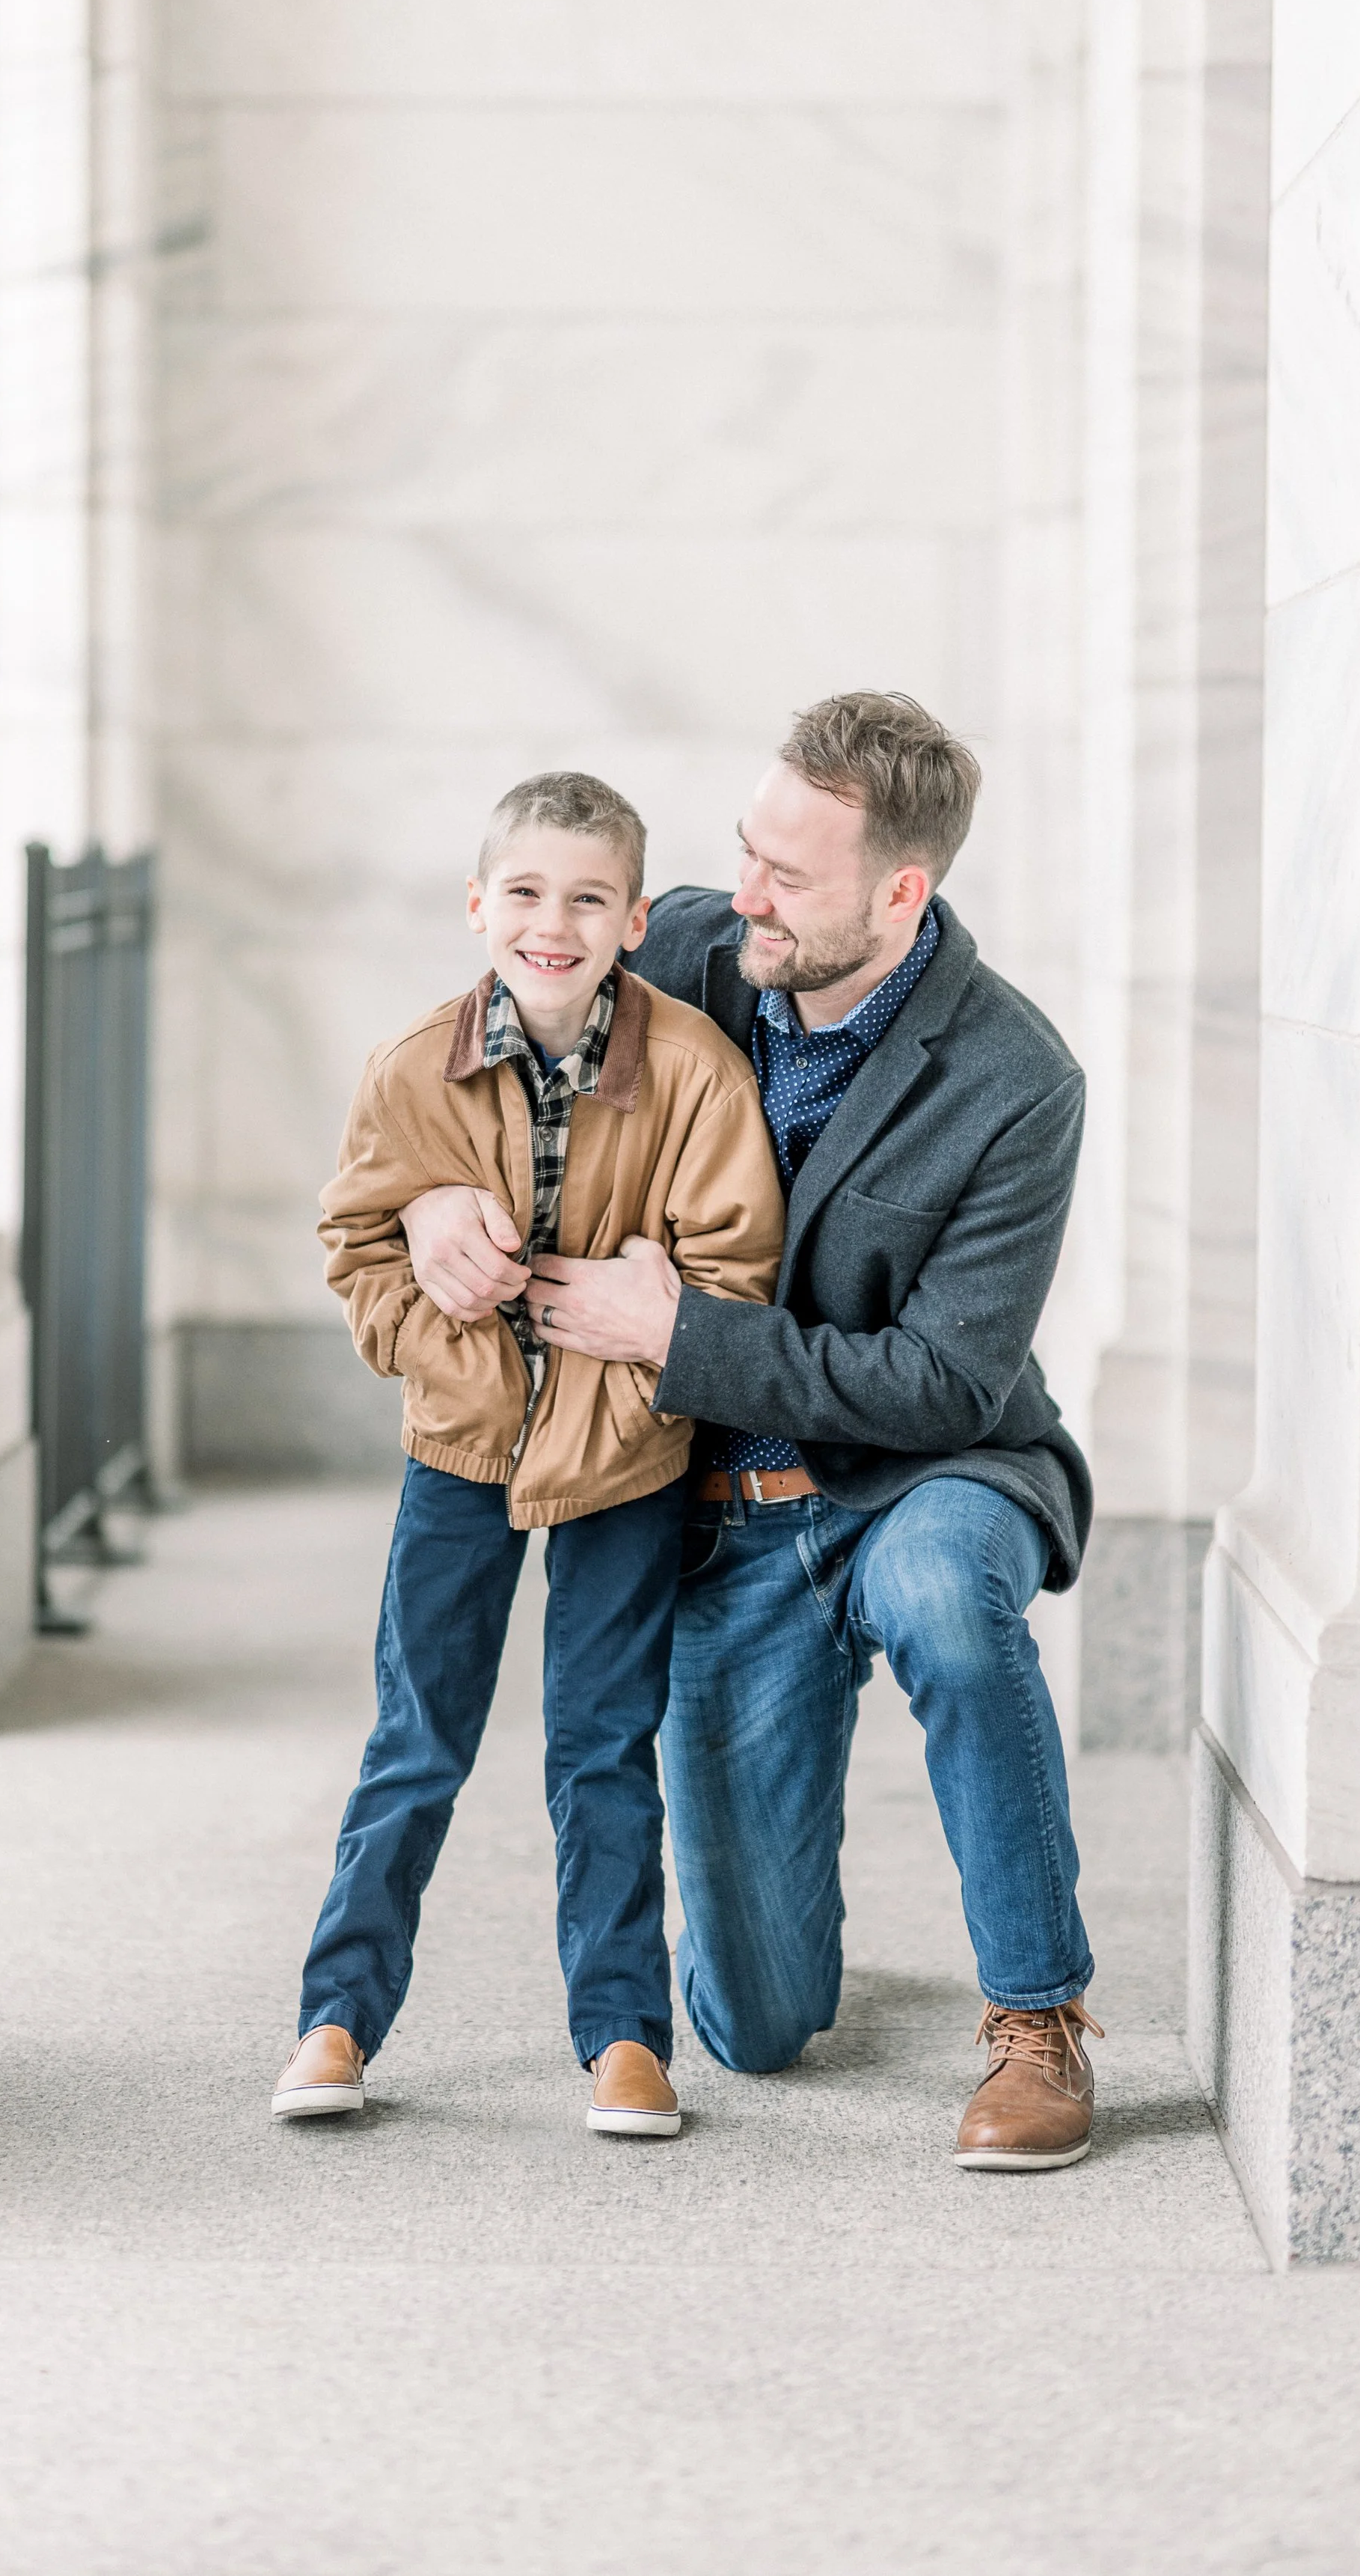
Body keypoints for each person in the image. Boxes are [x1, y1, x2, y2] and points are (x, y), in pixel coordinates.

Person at [399, 696, 1103, 2170]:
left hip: (930, 1474)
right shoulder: (677, 952)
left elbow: (942, 1383)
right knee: (756, 2027)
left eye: (791, 876)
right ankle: (789, 1925)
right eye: (747, 854)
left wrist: (680, 1335)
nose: (750, 897)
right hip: (725, 1511)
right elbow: (458, 1067)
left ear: (899, 894)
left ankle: (1036, 2020)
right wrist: (428, 1200)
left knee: (946, 1608)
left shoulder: (1016, 1079)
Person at [272, 771, 783, 2138]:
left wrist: (627, 1367)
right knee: (415, 1735)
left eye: (588, 897)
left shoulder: (693, 1070)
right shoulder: (411, 1069)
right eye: (525, 892)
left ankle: (621, 2034)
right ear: (478, 903)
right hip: (462, 1448)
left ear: (633, 915)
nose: (551, 923)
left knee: (603, 1745)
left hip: (623, 1457)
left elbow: (730, 1271)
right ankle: (337, 2017)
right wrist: (444, 1343)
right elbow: (361, 1248)